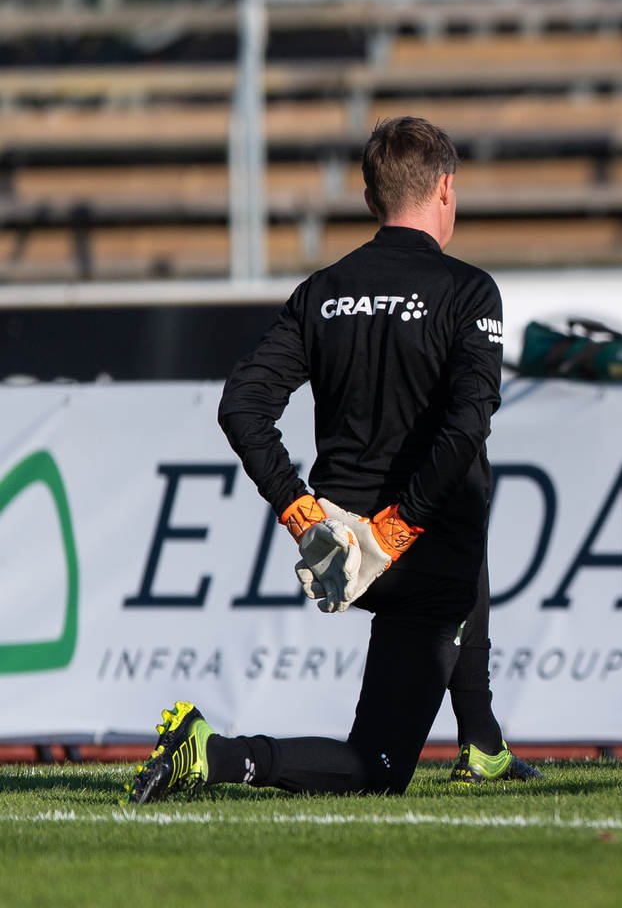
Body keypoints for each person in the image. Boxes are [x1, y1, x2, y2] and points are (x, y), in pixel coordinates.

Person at [125, 116, 539, 804]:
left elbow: (242, 406)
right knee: (375, 768)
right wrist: (400, 526)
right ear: (445, 189)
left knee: (465, 512)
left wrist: (299, 510)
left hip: (339, 544)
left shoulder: (323, 291)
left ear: (373, 200)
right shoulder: (469, 291)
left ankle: (483, 739)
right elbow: (469, 422)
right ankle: (215, 754)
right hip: (413, 553)